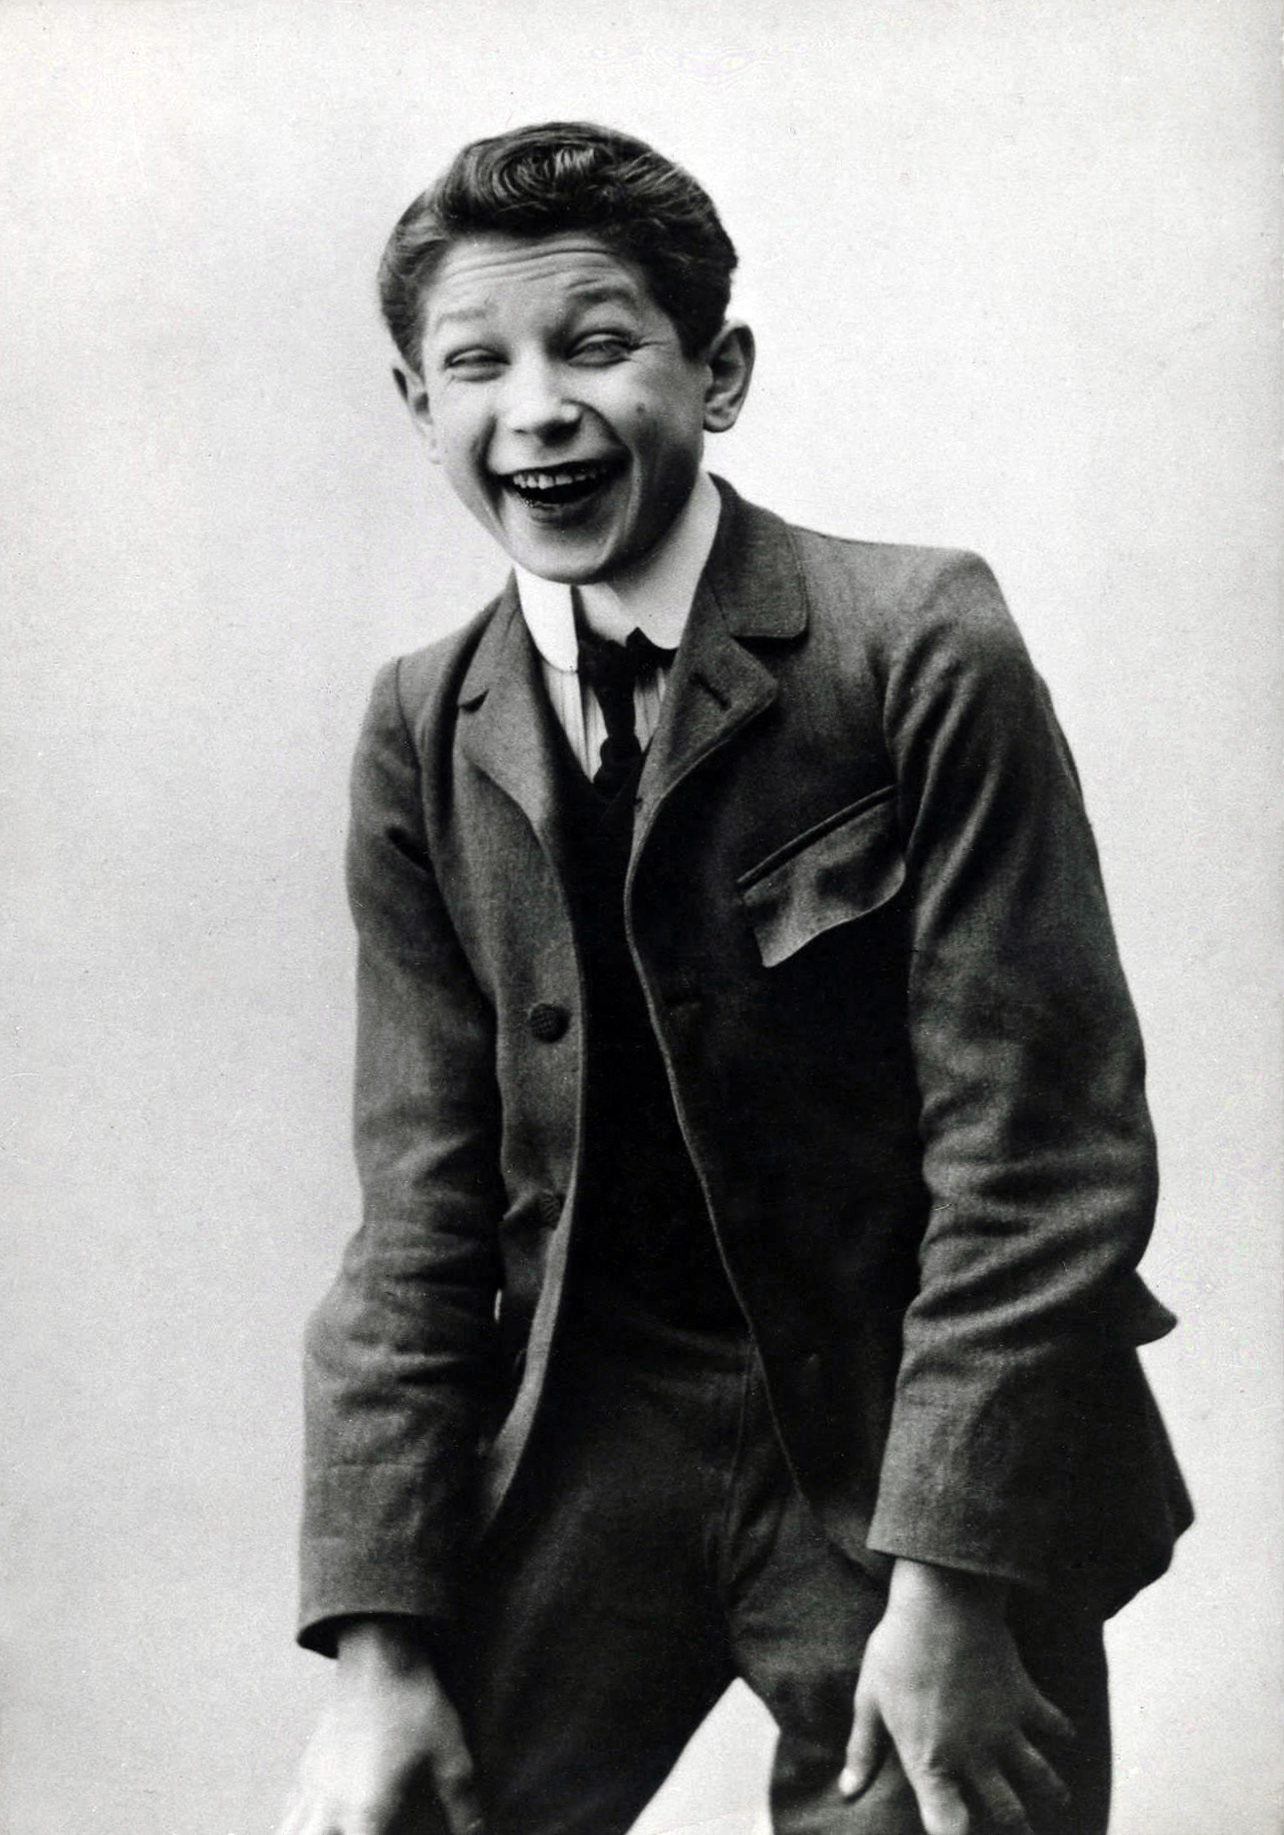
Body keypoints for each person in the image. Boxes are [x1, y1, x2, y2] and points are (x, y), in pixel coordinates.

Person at [280, 122, 1191, 1835]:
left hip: (909, 1437)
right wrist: (375, 1650)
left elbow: (1042, 1158)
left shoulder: (917, 643)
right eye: (476, 364)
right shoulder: (422, 728)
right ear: (416, 405)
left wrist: (955, 1587)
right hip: (591, 1434)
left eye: (597, 345)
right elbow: (419, 1217)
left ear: (720, 374)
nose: (538, 410)